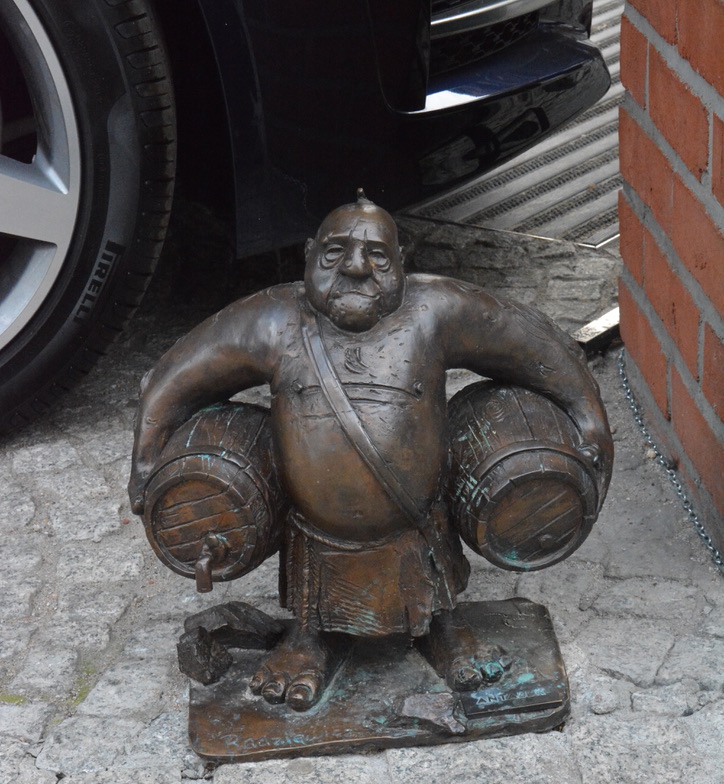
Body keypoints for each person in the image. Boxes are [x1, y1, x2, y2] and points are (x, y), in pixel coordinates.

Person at [129, 192, 612, 711]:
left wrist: (590, 422)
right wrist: (145, 461)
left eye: (377, 255)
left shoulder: (436, 311)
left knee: (427, 566)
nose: (356, 268)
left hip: (417, 519)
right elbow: (174, 379)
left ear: (402, 261)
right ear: (309, 255)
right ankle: (310, 636)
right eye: (335, 252)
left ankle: (443, 625)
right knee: (315, 578)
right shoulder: (273, 320)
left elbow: (539, 349)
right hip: (313, 527)